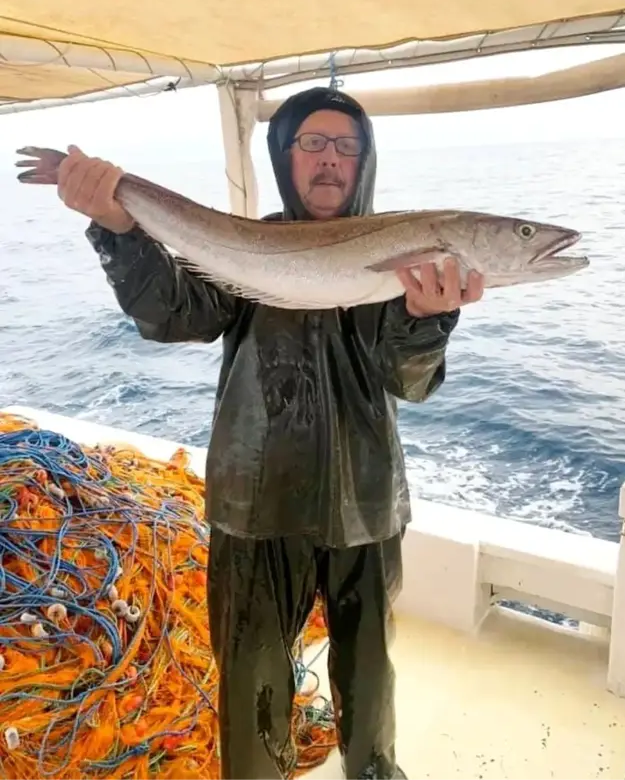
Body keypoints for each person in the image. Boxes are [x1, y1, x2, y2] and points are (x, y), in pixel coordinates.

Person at [56, 86, 484, 779]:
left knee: (369, 672)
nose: (329, 160)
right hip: (255, 498)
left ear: (365, 162)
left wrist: (427, 318)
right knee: (251, 675)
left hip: (365, 500)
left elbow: (409, 381)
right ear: (284, 158)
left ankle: (374, 769)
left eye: (347, 146)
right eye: (311, 143)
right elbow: (173, 316)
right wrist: (120, 228)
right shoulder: (245, 247)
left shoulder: (408, 258)